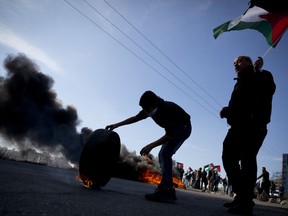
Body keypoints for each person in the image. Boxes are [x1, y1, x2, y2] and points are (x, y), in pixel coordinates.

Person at [106, 90, 191, 202]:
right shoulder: (149, 108)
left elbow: (170, 135)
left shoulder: (167, 110)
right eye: (143, 109)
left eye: (146, 109)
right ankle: (169, 190)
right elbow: (135, 118)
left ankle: (166, 190)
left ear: (154, 105)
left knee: (165, 154)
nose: (145, 112)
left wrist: (150, 146)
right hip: (173, 130)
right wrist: (116, 125)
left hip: (183, 128)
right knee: (163, 155)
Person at [220, 56, 276, 215]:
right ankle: (241, 195)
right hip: (237, 127)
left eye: (239, 61)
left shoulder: (263, 75)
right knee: (228, 158)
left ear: (250, 62)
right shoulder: (239, 81)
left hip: (254, 126)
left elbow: (268, 89)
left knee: (247, 160)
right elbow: (241, 105)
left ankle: (245, 203)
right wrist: (227, 111)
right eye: (234, 63)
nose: (236, 65)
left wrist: (257, 71)